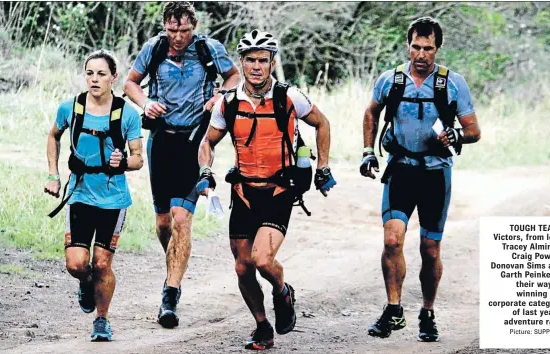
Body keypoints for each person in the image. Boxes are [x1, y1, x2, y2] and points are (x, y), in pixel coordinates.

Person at [197, 29, 336, 350]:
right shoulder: (228, 103)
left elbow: (322, 123)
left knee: (262, 259)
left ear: (272, 62)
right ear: (240, 63)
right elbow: (208, 142)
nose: (256, 67)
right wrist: (206, 170)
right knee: (242, 267)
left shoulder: (290, 96)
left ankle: (282, 291)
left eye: (263, 60)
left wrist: (323, 166)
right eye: (249, 61)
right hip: (244, 192)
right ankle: (262, 327)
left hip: (279, 191)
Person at [360, 17, 481, 342]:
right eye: (416, 46)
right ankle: (394, 309)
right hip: (400, 169)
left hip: (435, 174)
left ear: (437, 48)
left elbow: (474, 131)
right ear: (408, 45)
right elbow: (371, 112)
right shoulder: (392, 80)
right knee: (392, 240)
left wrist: (456, 133)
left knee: (430, 249)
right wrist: (367, 151)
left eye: (428, 48)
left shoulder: (452, 83)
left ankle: (427, 312)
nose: (421, 54)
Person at [123, 2, 240, 329]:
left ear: (195, 25)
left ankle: (170, 294)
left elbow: (233, 76)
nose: (177, 37)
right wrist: (146, 103)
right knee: (163, 223)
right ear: (165, 27)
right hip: (161, 140)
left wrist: (220, 97)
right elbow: (130, 83)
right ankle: (174, 265)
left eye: (183, 31)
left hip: (196, 141)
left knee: (181, 220)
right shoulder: (154, 47)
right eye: (172, 30)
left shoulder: (208, 48)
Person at [44, 50, 143, 341]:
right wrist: (53, 174)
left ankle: (102, 320)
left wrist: (123, 161)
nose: (94, 79)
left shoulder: (127, 114)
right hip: (79, 194)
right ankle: (86, 283)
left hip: (113, 200)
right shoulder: (70, 108)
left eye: (101, 74)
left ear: (114, 77)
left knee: (102, 262)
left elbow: (138, 158)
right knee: (76, 264)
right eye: (90, 73)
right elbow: (53, 136)